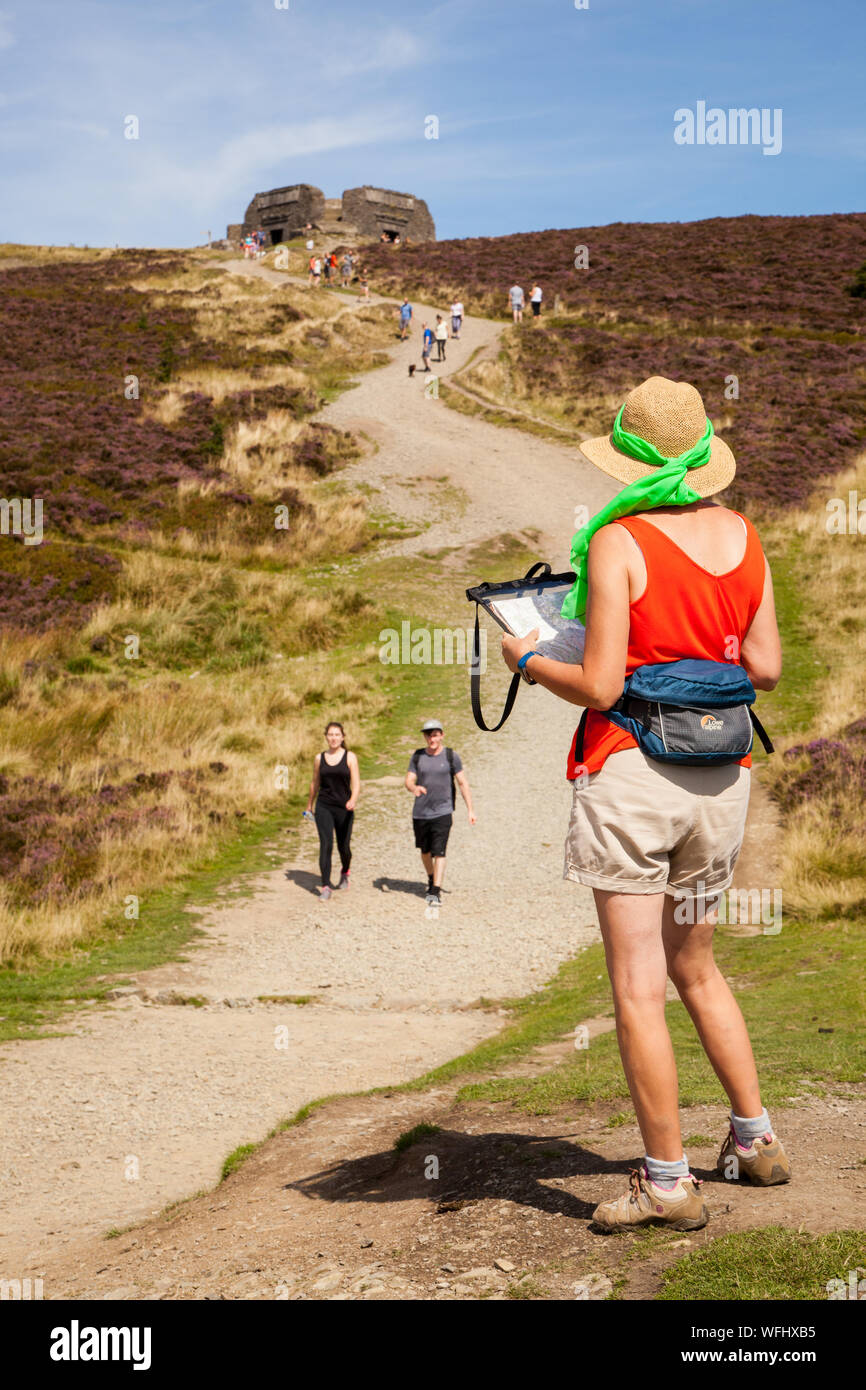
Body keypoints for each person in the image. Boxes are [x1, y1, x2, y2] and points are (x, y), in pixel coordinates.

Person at [500, 375, 788, 1233]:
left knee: (637, 985)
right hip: (721, 781)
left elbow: (598, 684)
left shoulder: (620, 542)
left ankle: (667, 1184)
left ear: (628, 457)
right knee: (695, 965)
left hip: (633, 773)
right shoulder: (743, 534)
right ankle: (753, 1138)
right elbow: (765, 668)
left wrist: (526, 656)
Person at [405, 720, 475, 906]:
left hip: (443, 812)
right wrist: (414, 788)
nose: (431, 738)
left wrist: (470, 810)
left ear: (442, 735)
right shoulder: (418, 756)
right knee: (425, 852)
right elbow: (408, 780)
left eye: (435, 734)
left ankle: (435, 891)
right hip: (420, 813)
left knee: (439, 852)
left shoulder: (451, 756)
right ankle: (431, 878)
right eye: (428, 735)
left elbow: (462, 783)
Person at [305, 722, 360, 900]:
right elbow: (315, 783)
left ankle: (345, 871)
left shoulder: (350, 757)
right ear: (326, 737)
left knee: (343, 846)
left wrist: (352, 800)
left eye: (337, 735)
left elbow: (356, 784)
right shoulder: (319, 758)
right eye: (330, 734)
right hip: (324, 806)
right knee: (326, 845)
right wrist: (309, 805)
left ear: (342, 737)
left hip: (344, 808)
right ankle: (326, 886)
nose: (333, 738)